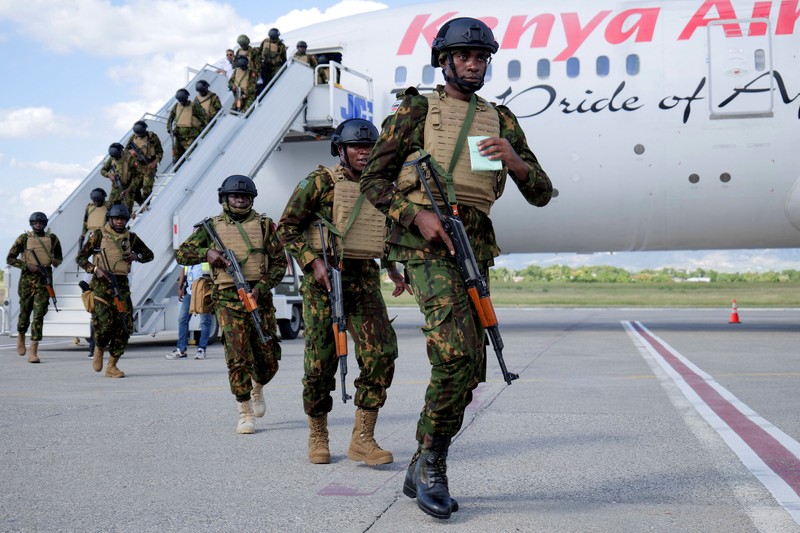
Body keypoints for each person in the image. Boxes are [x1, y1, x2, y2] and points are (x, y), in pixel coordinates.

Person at [359, 17, 554, 519]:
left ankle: (423, 454)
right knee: (455, 355)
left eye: (482, 57)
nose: (474, 64)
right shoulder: (416, 109)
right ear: (444, 61)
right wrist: (415, 215)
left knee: (472, 370)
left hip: (473, 244)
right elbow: (374, 181)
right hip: (424, 244)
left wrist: (515, 160)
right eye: (464, 56)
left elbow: (541, 194)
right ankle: (434, 465)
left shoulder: (501, 119)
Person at [278, 118, 408, 465]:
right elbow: (286, 229)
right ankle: (318, 432)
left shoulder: (381, 186)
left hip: (364, 279)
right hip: (323, 282)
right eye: (357, 147)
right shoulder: (319, 183)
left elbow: (383, 230)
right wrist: (312, 263)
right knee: (320, 364)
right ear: (341, 149)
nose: (364, 153)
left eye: (369, 147)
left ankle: (363, 438)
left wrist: (393, 269)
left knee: (381, 352)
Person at [176, 175, 286, 434]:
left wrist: (262, 287)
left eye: (245, 196)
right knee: (236, 356)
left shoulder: (264, 225)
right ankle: (244, 409)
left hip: (259, 299)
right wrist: (207, 253)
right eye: (234, 196)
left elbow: (280, 262)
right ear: (224, 199)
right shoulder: (210, 227)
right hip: (227, 299)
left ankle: (257, 385)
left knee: (269, 359)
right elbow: (181, 253)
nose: (240, 200)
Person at [76, 204, 154, 378]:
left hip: (121, 286)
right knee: (104, 326)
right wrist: (95, 269)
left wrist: (137, 256)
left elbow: (149, 254)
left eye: (122, 219)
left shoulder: (131, 238)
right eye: (116, 218)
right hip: (101, 285)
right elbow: (80, 258)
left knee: (125, 327)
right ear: (110, 219)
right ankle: (98, 346)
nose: (119, 222)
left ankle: (112, 366)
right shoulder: (97, 235)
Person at [6, 212, 63, 363]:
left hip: (44, 280)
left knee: (39, 315)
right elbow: (10, 258)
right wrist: (26, 265)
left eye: (41, 222)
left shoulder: (52, 239)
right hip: (27, 280)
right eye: (35, 222)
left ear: (45, 223)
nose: (38, 224)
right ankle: (21, 335)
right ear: (31, 223)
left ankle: (33, 351)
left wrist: (55, 261)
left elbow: (59, 257)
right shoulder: (24, 239)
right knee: (25, 312)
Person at [166, 262, 213, 360]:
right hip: (189, 292)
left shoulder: (206, 253)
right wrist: (179, 288)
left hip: (203, 292)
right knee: (182, 319)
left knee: (205, 321)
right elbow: (183, 270)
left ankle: (201, 350)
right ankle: (181, 349)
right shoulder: (189, 254)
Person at [126, 120, 163, 207]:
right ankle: (141, 203)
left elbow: (160, 152)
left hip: (149, 165)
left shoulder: (152, 137)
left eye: (140, 133)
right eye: (137, 134)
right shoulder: (132, 138)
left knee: (147, 187)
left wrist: (154, 162)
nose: (139, 135)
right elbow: (126, 149)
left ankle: (146, 204)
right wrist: (131, 151)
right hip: (137, 166)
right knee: (133, 188)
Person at [167, 88, 207, 163]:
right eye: (180, 101)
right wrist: (169, 129)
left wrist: (196, 124)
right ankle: (177, 172)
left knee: (192, 156)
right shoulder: (176, 107)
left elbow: (202, 118)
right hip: (178, 136)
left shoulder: (194, 106)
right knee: (177, 157)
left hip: (190, 136)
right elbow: (170, 119)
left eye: (183, 100)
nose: (181, 102)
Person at [100, 142, 138, 213]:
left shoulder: (130, 159)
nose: (115, 158)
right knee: (110, 209)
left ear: (121, 153)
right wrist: (108, 174)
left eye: (116, 157)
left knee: (126, 211)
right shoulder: (112, 158)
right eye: (114, 157)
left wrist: (129, 189)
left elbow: (138, 176)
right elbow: (103, 170)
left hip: (128, 190)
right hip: (116, 189)